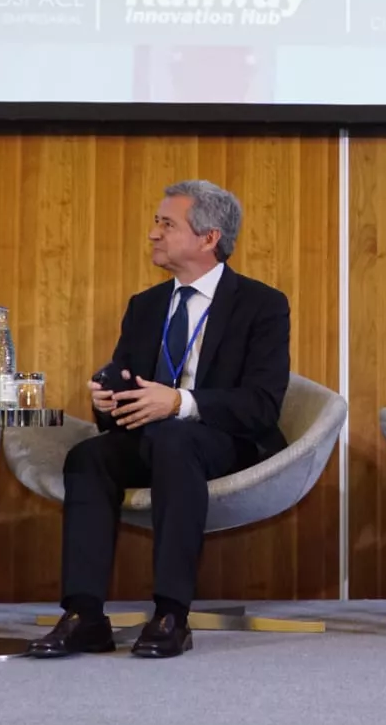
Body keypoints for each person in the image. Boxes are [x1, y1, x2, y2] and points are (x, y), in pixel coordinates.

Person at [28, 180, 290, 660]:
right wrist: (109, 402)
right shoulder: (145, 306)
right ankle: (85, 616)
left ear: (209, 238)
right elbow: (126, 393)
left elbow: (261, 404)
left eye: (166, 224)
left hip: (224, 439)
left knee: (175, 441)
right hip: (152, 438)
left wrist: (179, 403)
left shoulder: (262, 305)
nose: (153, 234)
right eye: (156, 222)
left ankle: (171, 614)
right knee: (88, 457)